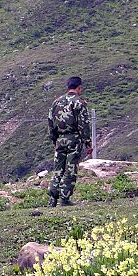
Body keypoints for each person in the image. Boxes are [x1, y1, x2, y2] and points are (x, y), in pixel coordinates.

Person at [46, 76, 92, 207]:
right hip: (74, 140)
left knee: (58, 169)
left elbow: (50, 123)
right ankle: (64, 199)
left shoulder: (56, 102)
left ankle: (52, 198)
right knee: (70, 169)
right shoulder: (79, 103)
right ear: (79, 87)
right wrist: (88, 143)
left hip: (60, 140)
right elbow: (84, 125)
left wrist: (54, 140)